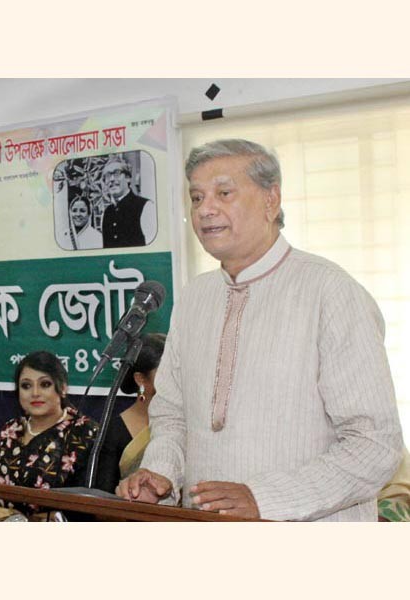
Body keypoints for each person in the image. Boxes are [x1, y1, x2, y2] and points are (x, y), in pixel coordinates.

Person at [117, 139, 403, 521]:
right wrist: (162, 473)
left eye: (223, 193)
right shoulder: (194, 297)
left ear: (271, 200)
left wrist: (264, 498)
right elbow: (172, 415)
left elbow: (375, 444)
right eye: (197, 197)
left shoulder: (331, 292)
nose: (205, 209)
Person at [0, 351, 98, 515]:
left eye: (45, 384)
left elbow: (88, 507)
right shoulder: (11, 429)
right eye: (26, 386)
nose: (35, 393)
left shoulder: (84, 433)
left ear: (63, 388)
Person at [93, 333, 166, 493]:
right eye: (165, 373)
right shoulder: (113, 432)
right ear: (140, 379)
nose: (173, 380)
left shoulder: (185, 423)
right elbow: (104, 495)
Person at [100, 155, 156, 248]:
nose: (112, 179)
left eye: (117, 173)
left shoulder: (146, 207)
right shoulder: (106, 213)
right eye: (108, 175)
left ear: (128, 178)